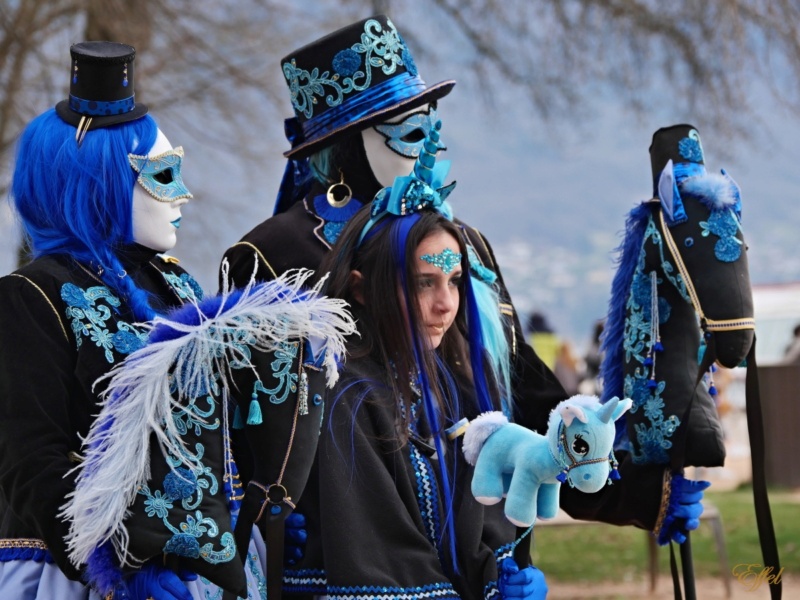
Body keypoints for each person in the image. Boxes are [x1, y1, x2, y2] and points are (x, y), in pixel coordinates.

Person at [220, 13, 709, 592]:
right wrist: (257, 517)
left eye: (431, 124)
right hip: (350, 554)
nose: (426, 144)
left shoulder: (461, 244)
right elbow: (237, 418)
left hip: (478, 540)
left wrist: (634, 491)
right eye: (404, 128)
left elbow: (521, 390)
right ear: (349, 142)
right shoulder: (275, 253)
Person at [0, 42, 275, 600]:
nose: (183, 195)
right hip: (80, 578)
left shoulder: (177, 286)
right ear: (103, 182)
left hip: (209, 576)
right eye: (163, 173)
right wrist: (116, 569)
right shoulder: (30, 295)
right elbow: (31, 460)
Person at [295, 126, 547, 599]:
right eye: (422, 283)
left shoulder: (448, 384)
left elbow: (475, 518)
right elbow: (380, 558)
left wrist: (503, 575)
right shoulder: (344, 393)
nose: (446, 304)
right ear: (360, 287)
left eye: (453, 281)